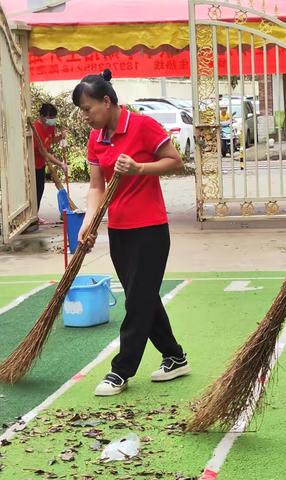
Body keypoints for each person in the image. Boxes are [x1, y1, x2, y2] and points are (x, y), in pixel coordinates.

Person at [73, 69, 190, 396]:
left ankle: (120, 371)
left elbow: (174, 161)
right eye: (82, 111)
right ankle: (175, 356)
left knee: (137, 301)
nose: (86, 116)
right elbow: (97, 186)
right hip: (120, 230)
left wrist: (139, 168)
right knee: (144, 297)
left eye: (88, 108)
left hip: (150, 229)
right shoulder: (96, 138)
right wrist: (89, 221)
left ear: (107, 101)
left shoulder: (142, 126)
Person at [33, 103, 67, 222]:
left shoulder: (50, 126)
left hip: (42, 164)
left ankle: (35, 216)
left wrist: (61, 137)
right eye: (50, 117)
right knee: (35, 191)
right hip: (33, 165)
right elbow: (44, 152)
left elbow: (51, 140)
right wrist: (61, 164)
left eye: (54, 117)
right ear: (42, 116)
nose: (53, 120)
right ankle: (33, 217)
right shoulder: (35, 129)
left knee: (40, 189)